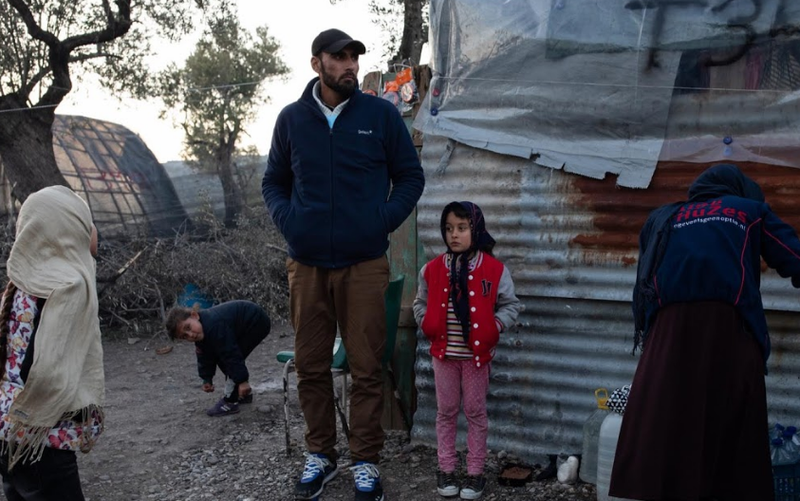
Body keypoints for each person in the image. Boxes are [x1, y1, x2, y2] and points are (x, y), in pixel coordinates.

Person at [262, 27, 425, 501]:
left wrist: (382, 221)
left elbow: (410, 176)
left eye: (354, 57)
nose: (350, 64)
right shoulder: (292, 120)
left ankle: (366, 462)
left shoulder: (380, 116)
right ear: (317, 64)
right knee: (312, 366)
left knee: (366, 367)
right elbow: (273, 181)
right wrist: (290, 222)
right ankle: (322, 455)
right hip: (307, 266)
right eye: (339, 57)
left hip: (364, 263)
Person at [610, 164, 800, 501]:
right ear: (740, 188)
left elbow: (646, 280)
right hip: (727, 333)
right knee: (731, 432)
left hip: (667, 336)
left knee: (669, 423)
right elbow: (793, 258)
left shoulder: (664, 216)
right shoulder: (749, 211)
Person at [0, 185, 104, 500]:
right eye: (83, 222)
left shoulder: (19, 282)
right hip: (41, 438)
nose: (92, 231)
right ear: (64, 229)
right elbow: (48, 371)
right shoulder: (68, 286)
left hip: (8, 429)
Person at [413, 201, 521, 500]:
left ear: (475, 228)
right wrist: (426, 322)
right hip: (444, 357)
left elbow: (511, 305)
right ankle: (446, 468)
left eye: (462, 228)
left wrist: (495, 327)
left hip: (475, 360)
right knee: (445, 412)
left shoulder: (494, 270)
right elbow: (419, 302)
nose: (454, 235)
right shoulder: (432, 270)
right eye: (448, 229)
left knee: (475, 413)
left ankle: (475, 473)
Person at [165, 300, 271, 417]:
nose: (191, 335)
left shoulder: (214, 325)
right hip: (240, 325)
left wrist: (242, 381)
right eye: (185, 336)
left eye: (188, 327)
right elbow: (204, 356)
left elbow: (230, 354)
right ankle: (241, 394)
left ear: (194, 315)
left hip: (256, 321)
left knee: (228, 358)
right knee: (225, 356)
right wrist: (207, 378)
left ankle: (230, 401)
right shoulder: (202, 331)